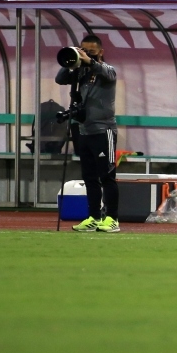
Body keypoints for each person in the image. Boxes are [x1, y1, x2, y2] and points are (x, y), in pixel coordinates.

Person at [55, 34, 120, 233]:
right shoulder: (79, 73)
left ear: (100, 52)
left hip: (104, 130)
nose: (85, 55)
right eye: (82, 50)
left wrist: (89, 61)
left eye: (91, 51)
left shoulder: (106, 71)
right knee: (89, 177)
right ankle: (93, 217)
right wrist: (72, 61)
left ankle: (112, 219)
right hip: (83, 130)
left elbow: (108, 73)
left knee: (107, 176)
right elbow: (59, 79)